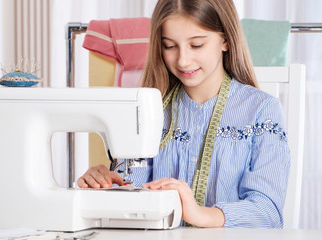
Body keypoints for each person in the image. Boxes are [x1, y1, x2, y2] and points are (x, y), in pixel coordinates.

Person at [77, 0, 290, 229]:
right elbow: (132, 195)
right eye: (169, 46)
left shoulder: (261, 110)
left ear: (226, 40)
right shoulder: (151, 112)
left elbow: (268, 212)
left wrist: (201, 214)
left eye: (196, 45)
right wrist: (106, 186)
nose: (182, 60)